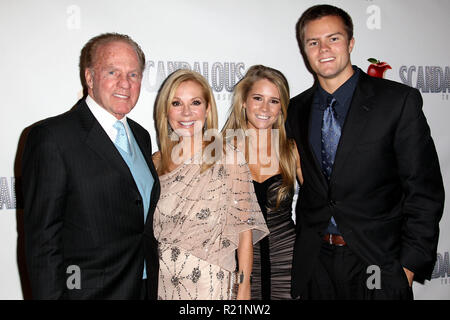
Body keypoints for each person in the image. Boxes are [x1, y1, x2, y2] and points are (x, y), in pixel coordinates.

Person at [287, 5, 445, 300]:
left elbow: (424, 191)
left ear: (351, 43)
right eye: (313, 42)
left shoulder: (397, 102)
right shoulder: (296, 109)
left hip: (377, 262)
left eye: (333, 39)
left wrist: (407, 268)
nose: (323, 49)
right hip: (316, 261)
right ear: (304, 49)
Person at [22, 33, 160, 299]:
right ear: (89, 77)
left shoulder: (141, 136)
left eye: (133, 75)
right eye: (112, 72)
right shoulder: (53, 137)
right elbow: (42, 243)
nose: (125, 83)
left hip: (144, 290)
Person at [152, 69, 269, 300]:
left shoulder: (228, 157)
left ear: (207, 109)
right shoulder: (155, 163)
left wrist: (243, 290)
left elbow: (245, 232)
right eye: (176, 103)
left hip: (211, 284)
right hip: (162, 284)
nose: (186, 112)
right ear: (165, 111)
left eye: (195, 102)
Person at [222, 65, 302, 299]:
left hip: (287, 260)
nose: (265, 108)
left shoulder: (291, 151)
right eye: (258, 98)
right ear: (244, 101)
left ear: (282, 108)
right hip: (235, 263)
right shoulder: (221, 149)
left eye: (274, 101)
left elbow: (324, 201)